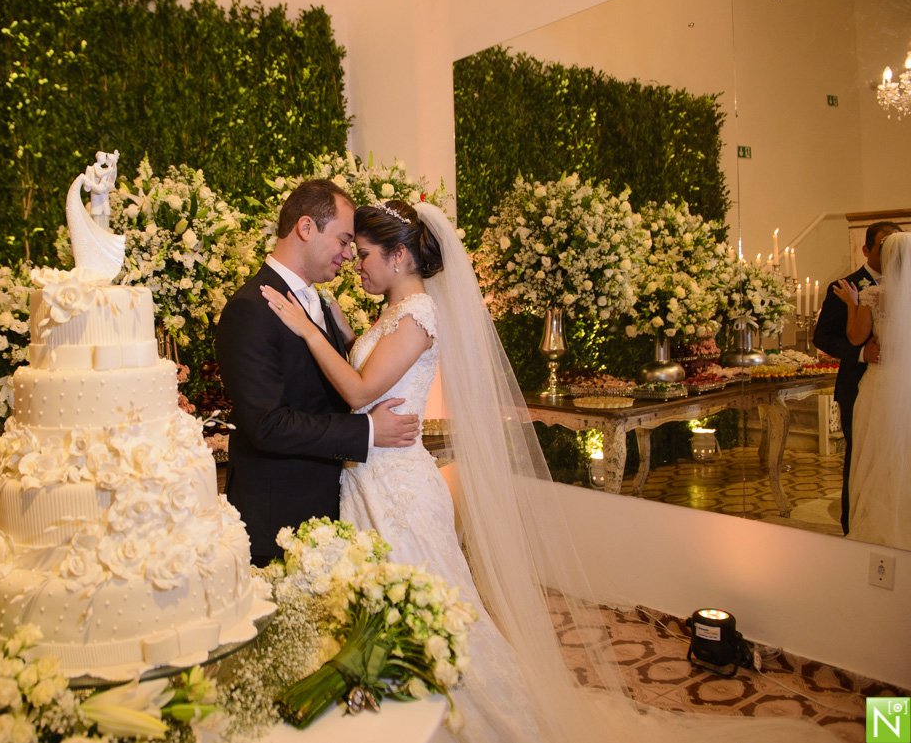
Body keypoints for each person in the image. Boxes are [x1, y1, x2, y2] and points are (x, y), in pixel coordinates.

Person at [263, 199, 836, 743]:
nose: (355, 263)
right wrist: (335, 323)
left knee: (429, 614)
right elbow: (367, 377)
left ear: (400, 256)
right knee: (385, 612)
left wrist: (309, 331)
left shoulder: (419, 313)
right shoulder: (391, 312)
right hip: (372, 478)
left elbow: (362, 387)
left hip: (400, 489)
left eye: (363, 252)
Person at [216, 180, 420, 566]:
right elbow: (268, 425)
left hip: (329, 509)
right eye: (343, 241)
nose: (348, 255)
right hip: (280, 521)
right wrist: (369, 431)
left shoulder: (318, 303)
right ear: (306, 228)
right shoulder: (251, 308)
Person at [814, 220, 901, 533]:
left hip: (899, 388)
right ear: (866, 249)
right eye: (883, 245)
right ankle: (854, 527)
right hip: (861, 387)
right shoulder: (846, 285)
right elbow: (823, 337)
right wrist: (864, 353)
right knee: (861, 458)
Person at [831, 231, 911, 548]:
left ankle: (878, 526)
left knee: (877, 455)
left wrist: (853, 305)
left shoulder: (874, 295)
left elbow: (854, 338)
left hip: (882, 383)